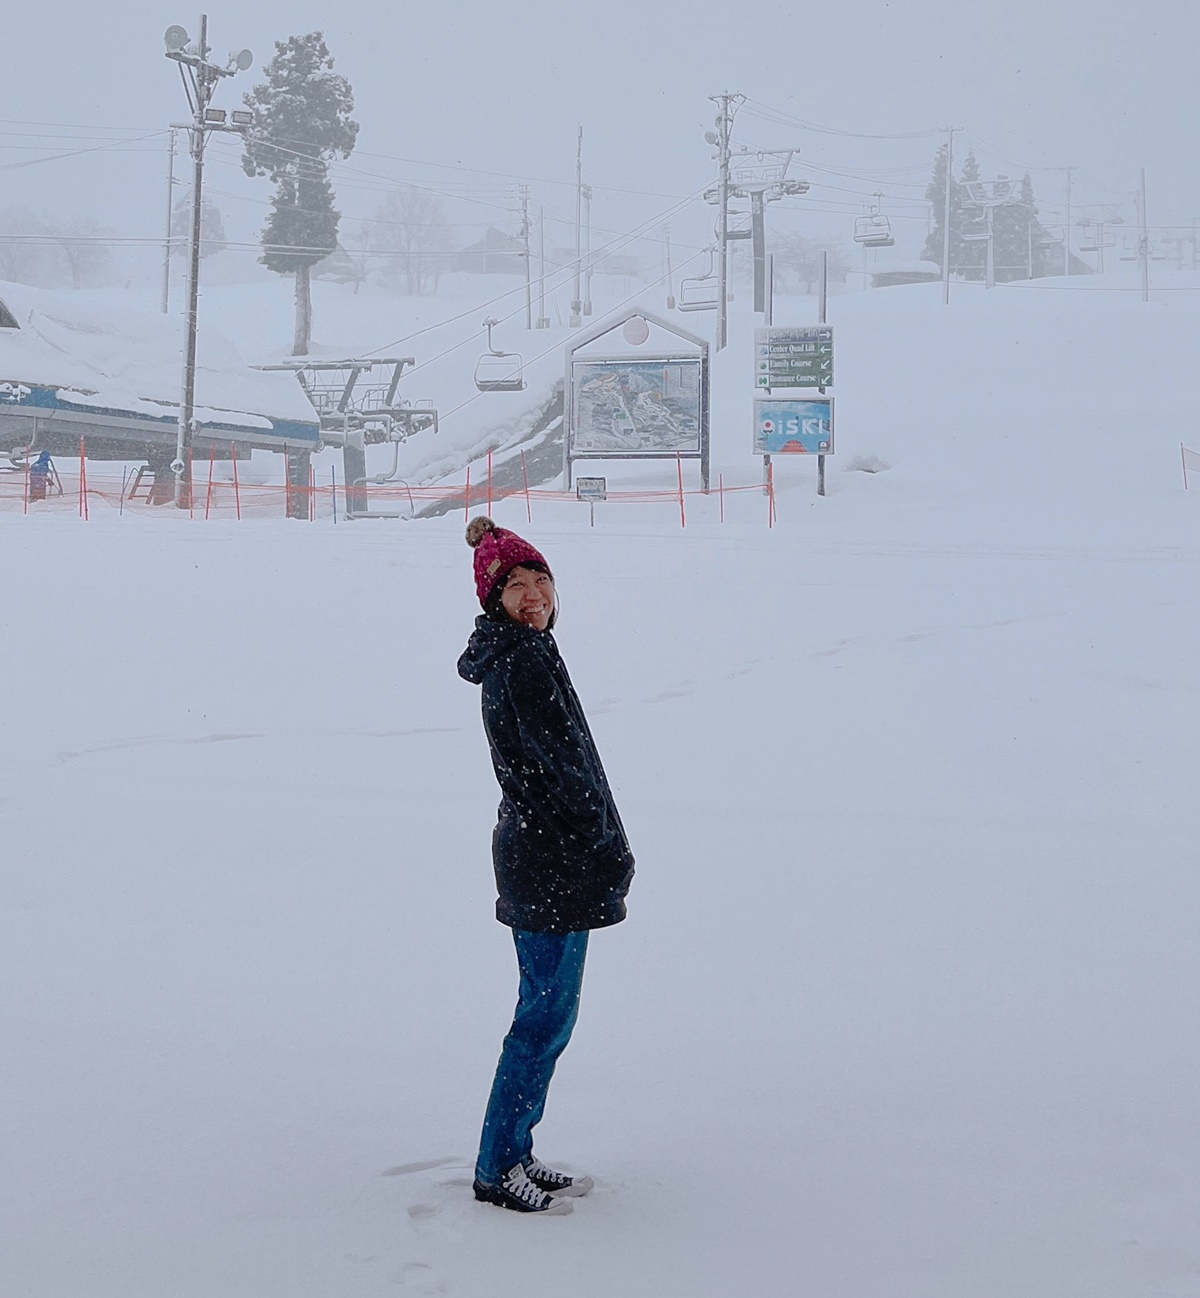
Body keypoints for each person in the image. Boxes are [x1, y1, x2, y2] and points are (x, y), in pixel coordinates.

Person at [457, 516, 634, 1215]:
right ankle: (497, 1166)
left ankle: (515, 1149)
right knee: (542, 1018)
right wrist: (605, 847)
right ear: (493, 599)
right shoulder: (524, 661)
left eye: (541, 581)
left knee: (548, 1015)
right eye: (517, 586)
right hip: (548, 860)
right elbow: (569, 777)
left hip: (542, 856)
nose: (533, 596)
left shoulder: (525, 651)